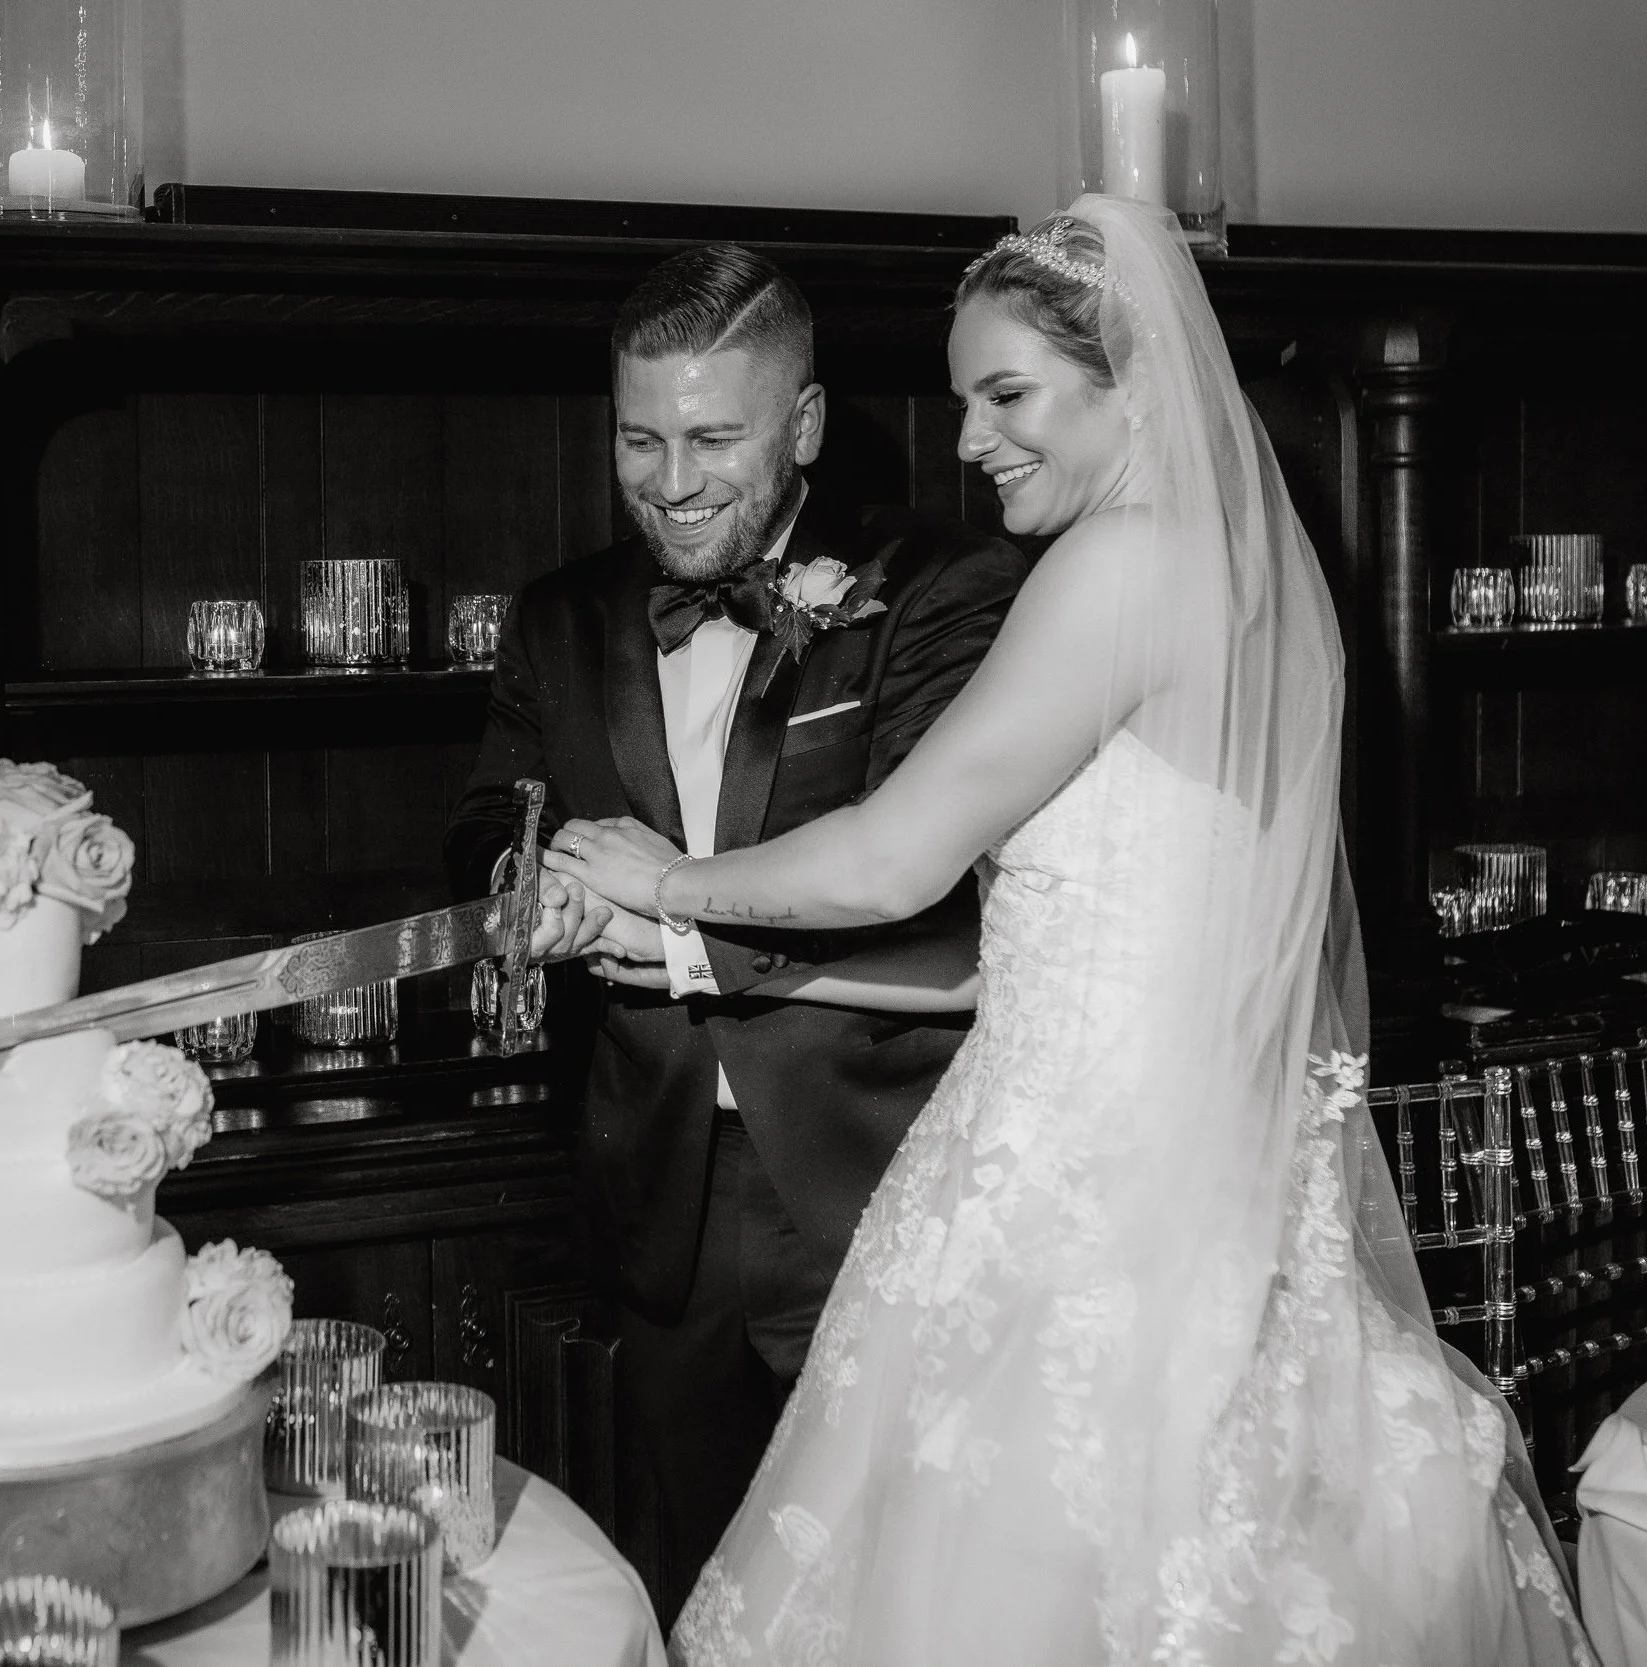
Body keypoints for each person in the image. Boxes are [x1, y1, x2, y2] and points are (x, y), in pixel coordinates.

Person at [545, 198, 1594, 1664]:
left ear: (1141, 386)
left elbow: (896, 852)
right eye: (970, 398)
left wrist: (662, 879)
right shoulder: (1250, 586)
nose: (972, 439)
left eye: (1010, 395)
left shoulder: (1118, 569)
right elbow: (1049, 928)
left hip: (1083, 1190)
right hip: (1199, 1168)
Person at [444, 242, 1026, 1619]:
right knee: (691, 1580)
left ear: (805, 425)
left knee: (895, 1585)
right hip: (657, 1190)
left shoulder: (943, 588)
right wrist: (536, 885)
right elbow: (483, 816)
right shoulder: (561, 616)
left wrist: (675, 909)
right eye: (639, 438)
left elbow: (941, 890)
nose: (672, 478)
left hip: (877, 1171)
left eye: (714, 436)